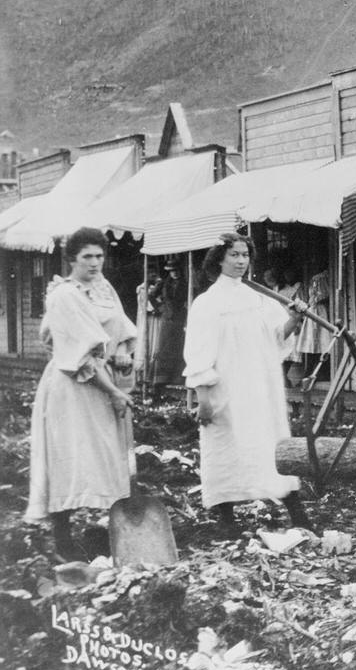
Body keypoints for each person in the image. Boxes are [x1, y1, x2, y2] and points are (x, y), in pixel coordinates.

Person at [183, 233, 315, 538]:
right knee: (225, 447)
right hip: (225, 389)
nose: (241, 261)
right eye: (234, 255)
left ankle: (298, 515)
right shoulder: (207, 303)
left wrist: (294, 320)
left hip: (259, 387)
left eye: (245, 255)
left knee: (270, 443)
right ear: (219, 259)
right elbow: (199, 352)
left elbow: (275, 336)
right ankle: (227, 519)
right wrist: (203, 397)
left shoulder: (259, 298)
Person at [25, 227, 137, 559]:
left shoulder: (104, 289)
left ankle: (109, 533)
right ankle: (62, 540)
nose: (94, 262)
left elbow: (123, 330)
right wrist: (113, 391)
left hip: (105, 382)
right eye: (87, 256)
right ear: (72, 258)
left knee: (106, 455)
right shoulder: (64, 295)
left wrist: (123, 355)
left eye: (100, 255)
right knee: (71, 456)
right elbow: (78, 353)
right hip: (72, 383)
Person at [146, 258, 186, 398]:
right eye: (172, 271)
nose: (174, 273)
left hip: (181, 319)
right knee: (163, 348)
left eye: (176, 271)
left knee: (178, 347)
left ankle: (176, 379)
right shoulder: (163, 283)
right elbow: (150, 296)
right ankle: (159, 381)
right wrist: (160, 308)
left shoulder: (186, 284)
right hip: (167, 319)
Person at [295, 267, 333, 380]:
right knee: (313, 342)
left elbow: (322, 295)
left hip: (320, 310)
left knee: (321, 341)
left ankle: (319, 372)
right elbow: (319, 296)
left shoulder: (321, 277)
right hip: (317, 311)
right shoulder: (318, 278)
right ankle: (311, 372)